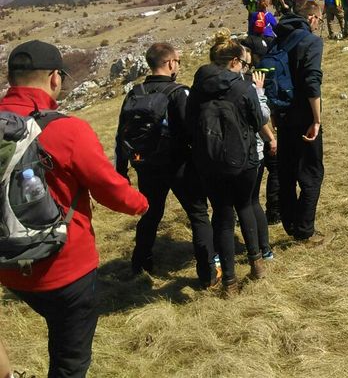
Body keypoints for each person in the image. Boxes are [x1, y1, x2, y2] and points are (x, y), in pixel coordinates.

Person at [1, 40, 149, 377]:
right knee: (70, 361)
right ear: (55, 78)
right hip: (66, 269)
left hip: (8, 263)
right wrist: (142, 204)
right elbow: (111, 190)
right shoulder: (68, 130)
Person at [115, 43, 216, 287]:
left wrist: (121, 170)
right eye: (178, 62)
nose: (178, 66)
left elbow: (121, 135)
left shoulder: (134, 93)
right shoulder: (178, 92)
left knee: (150, 214)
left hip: (145, 164)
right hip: (178, 163)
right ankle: (208, 273)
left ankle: (140, 264)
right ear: (170, 63)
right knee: (198, 214)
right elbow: (193, 131)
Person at [186, 32, 276, 296]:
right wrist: (270, 141)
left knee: (222, 216)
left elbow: (189, 124)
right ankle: (256, 263)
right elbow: (258, 119)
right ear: (236, 61)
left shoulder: (198, 88)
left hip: (209, 162)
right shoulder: (243, 87)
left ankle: (229, 282)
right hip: (244, 159)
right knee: (246, 205)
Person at [271, 0, 326, 245]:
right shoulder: (311, 41)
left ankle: (290, 223)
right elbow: (312, 81)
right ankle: (304, 231)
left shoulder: (277, 39)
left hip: (281, 115)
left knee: (287, 170)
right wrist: (317, 119)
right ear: (312, 18)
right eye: (320, 21)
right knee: (312, 173)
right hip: (303, 115)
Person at [238, 36, 275, 259]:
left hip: (221, 154)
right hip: (251, 150)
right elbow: (260, 117)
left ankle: (219, 255)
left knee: (225, 207)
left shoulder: (208, 84)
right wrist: (259, 93)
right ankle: (262, 251)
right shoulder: (247, 85)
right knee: (251, 202)